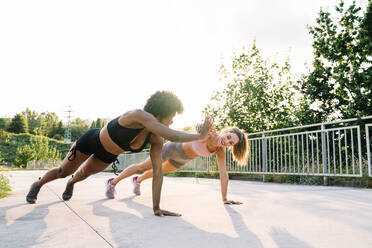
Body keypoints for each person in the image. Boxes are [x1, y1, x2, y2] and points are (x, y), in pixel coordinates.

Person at [26, 91, 212, 216]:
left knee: (81, 174)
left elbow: (157, 172)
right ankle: (38, 184)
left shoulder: (156, 138)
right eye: (172, 116)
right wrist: (200, 135)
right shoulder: (138, 115)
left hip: (107, 155)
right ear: (162, 112)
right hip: (92, 140)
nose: (172, 121)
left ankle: (71, 183)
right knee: (62, 171)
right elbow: (174, 135)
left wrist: (156, 208)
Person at [105, 125, 249, 205]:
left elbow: (223, 174)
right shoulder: (209, 134)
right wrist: (201, 130)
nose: (227, 141)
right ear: (226, 131)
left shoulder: (220, 151)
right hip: (171, 149)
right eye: (228, 137)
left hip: (180, 160)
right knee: (143, 166)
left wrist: (224, 198)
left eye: (231, 143)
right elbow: (198, 130)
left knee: (157, 172)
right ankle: (112, 183)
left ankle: (137, 180)